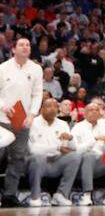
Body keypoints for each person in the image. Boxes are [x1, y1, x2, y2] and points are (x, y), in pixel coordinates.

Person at [0, 36, 42, 206]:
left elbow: (38, 93)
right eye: (21, 45)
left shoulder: (36, 69)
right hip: (2, 120)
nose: (25, 47)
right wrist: (3, 106)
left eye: (27, 45)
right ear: (13, 49)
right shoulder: (2, 68)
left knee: (18, 158)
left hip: (23, 121)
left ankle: (9, 195)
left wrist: (32, 115)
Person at [27, 97, 81, 206]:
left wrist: (70, 139)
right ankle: (35, 196)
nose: (52, 109)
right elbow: (33, 149)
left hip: (56, 161)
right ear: (41, 109)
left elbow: (73, 148)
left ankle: (61, 195)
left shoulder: (63, 124)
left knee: (75, 156)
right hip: (38, 162)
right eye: (48, 106)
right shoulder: (32, 123)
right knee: (37, 157)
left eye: (55, 106)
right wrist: (56, 148)